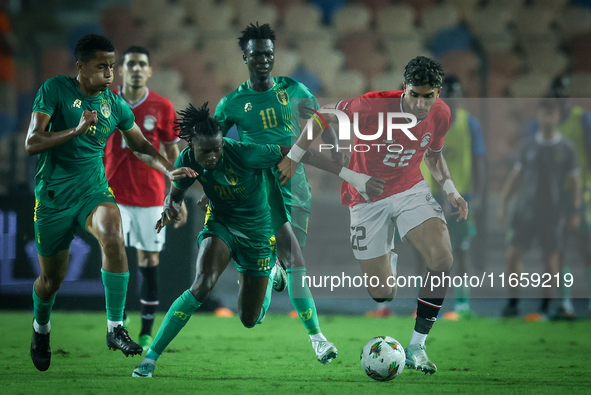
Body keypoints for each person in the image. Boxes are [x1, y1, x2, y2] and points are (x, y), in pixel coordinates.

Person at [279, 56, 469, 374]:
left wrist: (451, 189)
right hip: (366, 197)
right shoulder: (372, 106)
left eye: (429, 96)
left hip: (410, 188)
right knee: (382, 293)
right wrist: (295, 157)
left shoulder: (441, 114)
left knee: (442, 258)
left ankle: (417, 346)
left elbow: (434, 155)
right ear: (403, 88)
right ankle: (388, 258)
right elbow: (323, 117)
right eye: (415, 94)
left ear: (438, 93)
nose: (421, 103)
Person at [25, 34, 197, 372]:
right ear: (81, 67)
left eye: (111, 66)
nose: (109, 73)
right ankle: (40, 329)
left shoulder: (113, 105)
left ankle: (115, 328)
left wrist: (170, 169)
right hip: (53, 198)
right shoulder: (54, 89)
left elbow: (141, 146)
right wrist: (75, 131)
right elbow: (32, 142)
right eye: (101, 66)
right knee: (50, 282)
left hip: (94, 192)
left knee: (113, 234)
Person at [131, 102, 297, 378]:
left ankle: (270, 269)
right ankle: (150, 358)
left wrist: (291, 162)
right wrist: (168, 208)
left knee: (249, 319)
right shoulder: (186, 160)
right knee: (202, 284)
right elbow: (175, 195)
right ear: (192, 145)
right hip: (221, 226)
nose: (212, 156)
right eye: (205, 151)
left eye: (217, 149)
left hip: (257, 234)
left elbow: (289, 149)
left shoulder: (246, 153)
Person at [212, 23, 345, 364]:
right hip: (258, 195)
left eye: (268, 53)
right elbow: (212, 149)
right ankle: (318, 339)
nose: (263, 59)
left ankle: (268, 280)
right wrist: (215, 183)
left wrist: (295, 155)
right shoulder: (232, 103)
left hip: (297, 191)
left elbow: (321, 121)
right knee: (295, 263)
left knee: (284, 267)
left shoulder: (295, 89)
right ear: (245, 57)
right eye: (256, 54)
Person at [103, 45, 187, 351]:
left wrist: (177, 197)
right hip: (111, 193)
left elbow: (172, 151)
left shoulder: (162, 106)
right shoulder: (105, 100)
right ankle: (118, 324)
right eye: (131, 64)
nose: (136, 68)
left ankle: (146, 331)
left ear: (149, 71)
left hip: (151, 195)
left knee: (149, 259)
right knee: (116, 256)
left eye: (142, 64)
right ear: (121, 70)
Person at [500, 98, 582, 321]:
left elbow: (575, 181)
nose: (548, 117)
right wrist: (504, 202)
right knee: (513, 256)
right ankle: (512, 303)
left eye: (552, 113)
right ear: (538, 115)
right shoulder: (528, 145)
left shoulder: (566, 147)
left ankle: (545, 309)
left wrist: (575, 210)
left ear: (558, 117)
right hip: (526, 210)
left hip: (553, 213)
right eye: (544, 113)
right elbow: (516, 176)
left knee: (550, 260)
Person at [523, 75, 591, 319]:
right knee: (556, 251)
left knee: (586, 248)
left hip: (581, 193)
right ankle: (565, 303)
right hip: (549, 198)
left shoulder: (581, 120)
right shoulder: (538, 123)